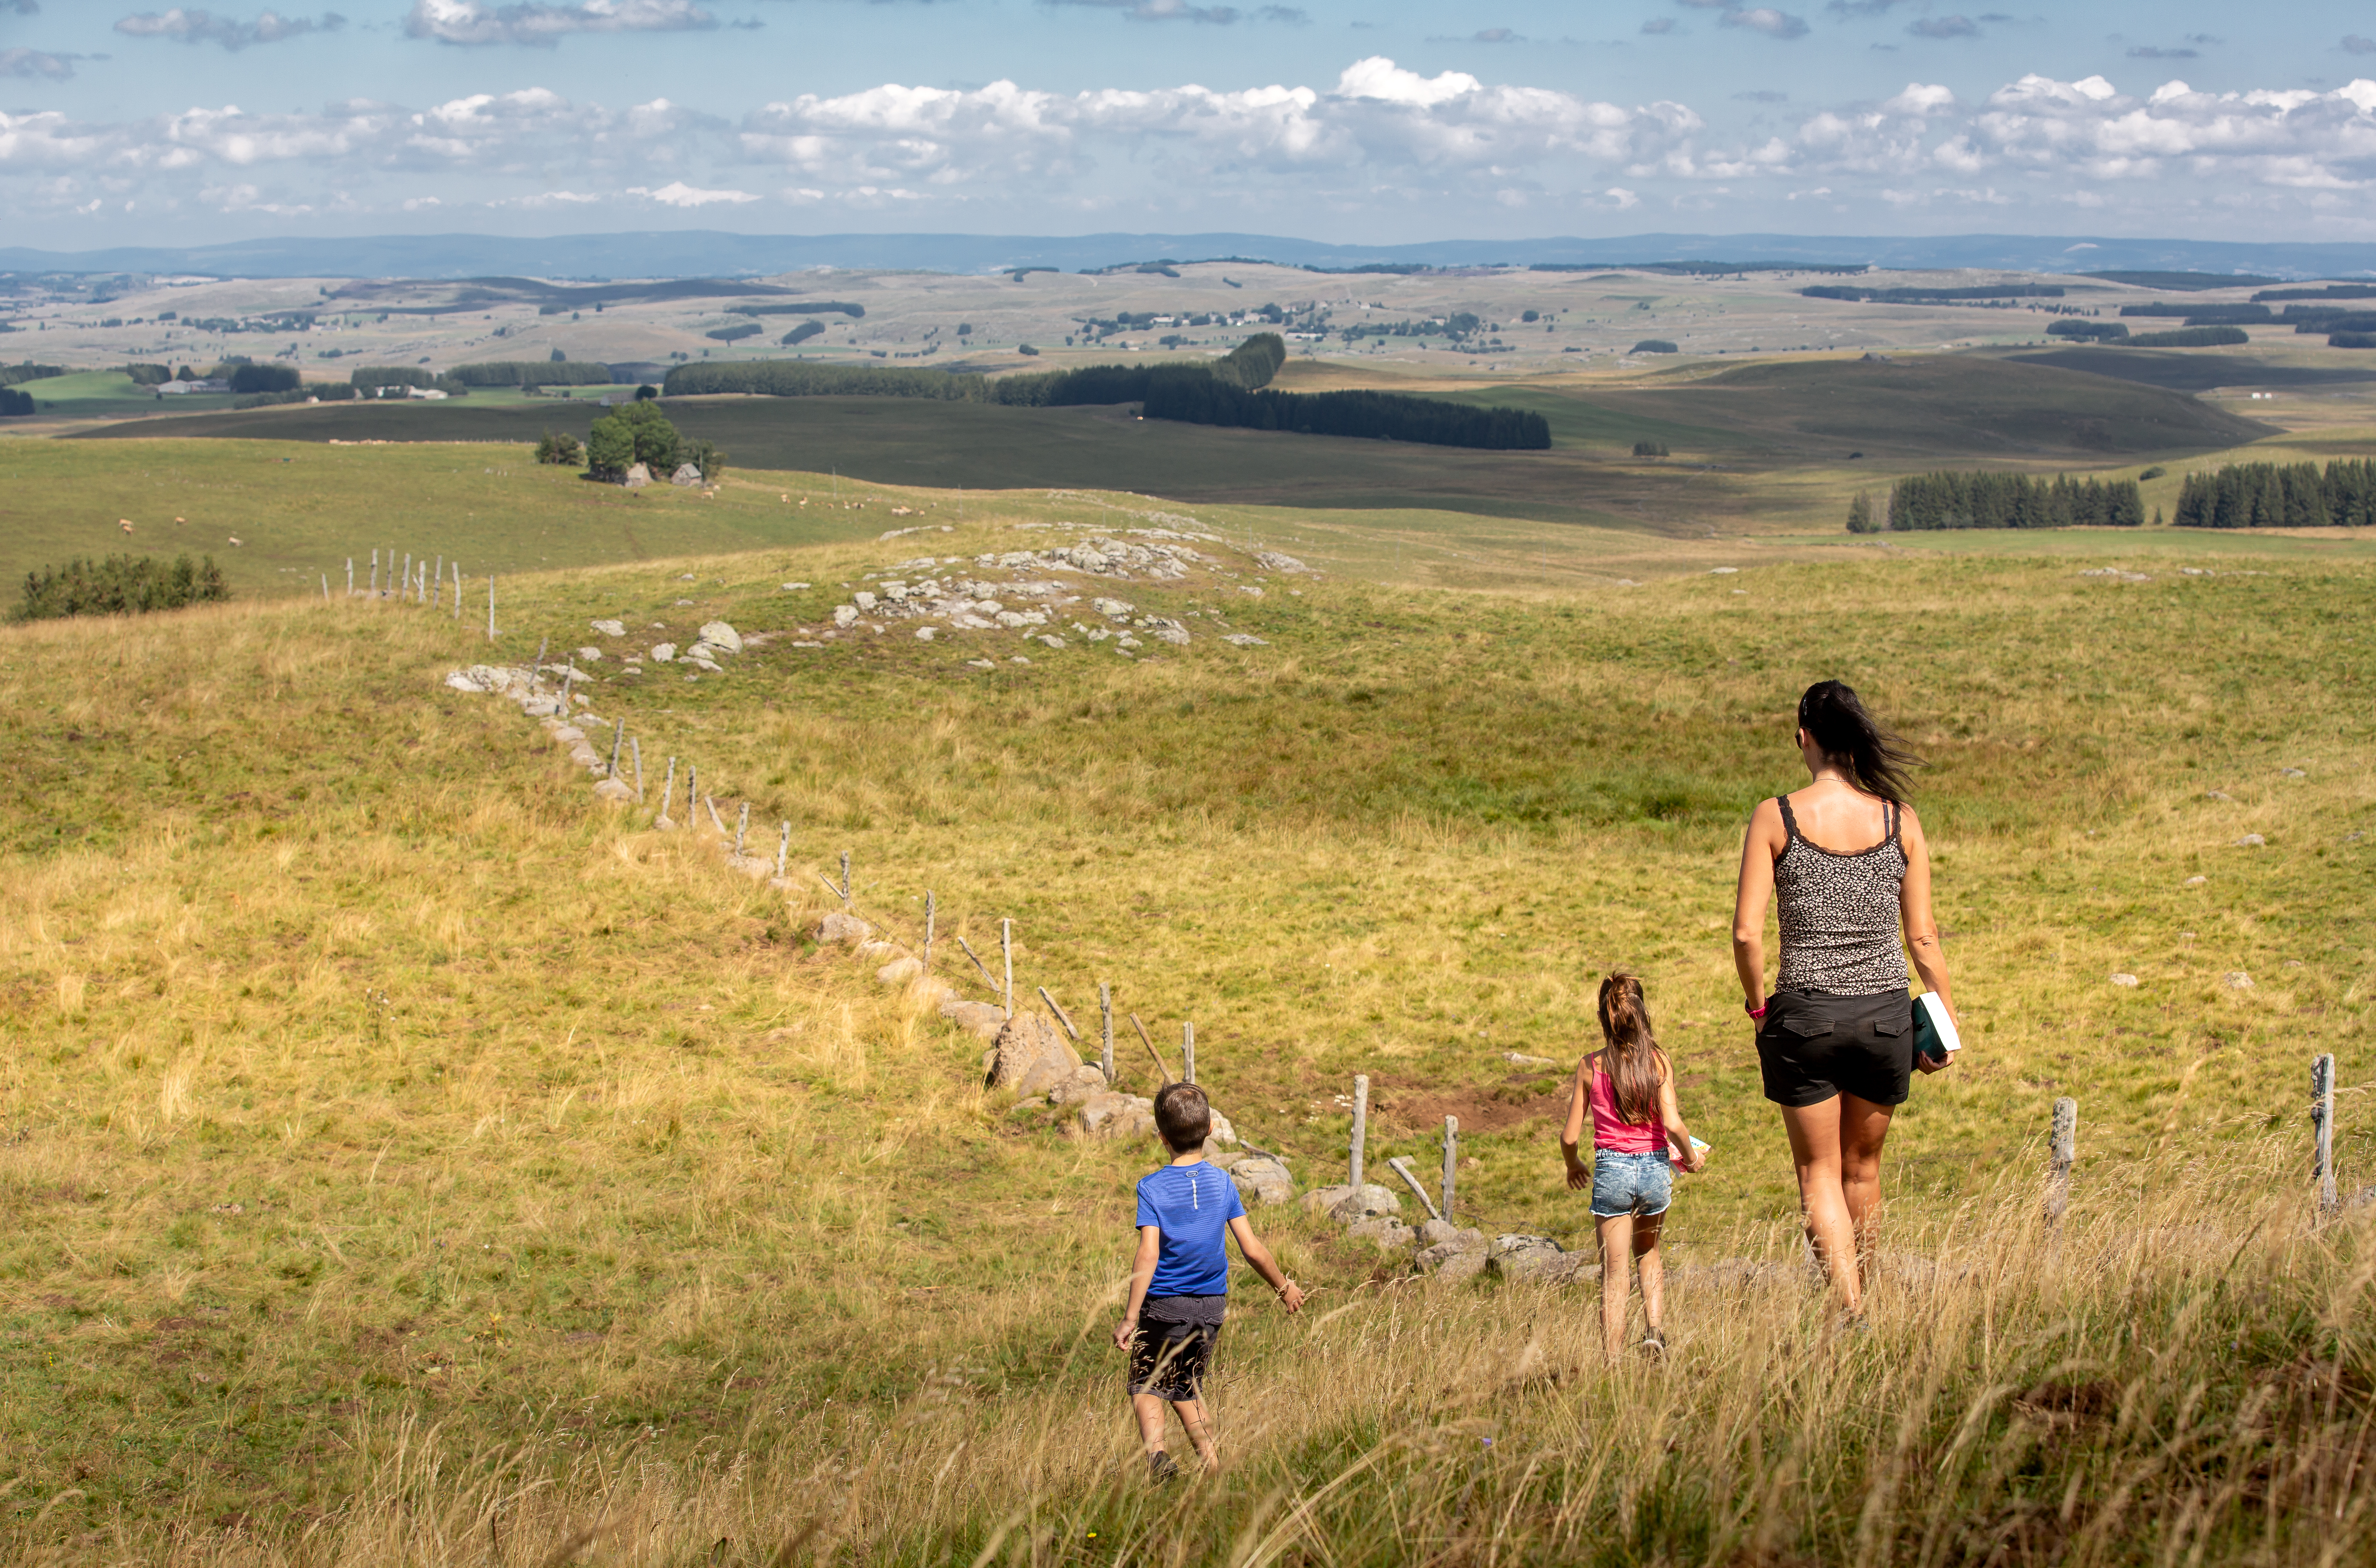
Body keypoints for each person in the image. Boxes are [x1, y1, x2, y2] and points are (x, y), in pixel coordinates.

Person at [1730, 679, 1960, 1318]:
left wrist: (1758, 1008)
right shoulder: (1898, 819)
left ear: (1803, 736)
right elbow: (1922, 936)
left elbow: (1747, 933)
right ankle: (1868, 1293)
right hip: (1885, 1016)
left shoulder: (1775, 815)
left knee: (1817, 1176)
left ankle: (1849, 1308)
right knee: (1862, 1171)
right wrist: (1942, 1020)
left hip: (1804, 1014)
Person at [1113, 1082, 1304, 1481]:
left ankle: (1157, 1458)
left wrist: (1131, 1317)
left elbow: (1148, 1254)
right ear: (1211, 1129)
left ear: (1161, 1137)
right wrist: (1284, 1287)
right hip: (1211, 1307)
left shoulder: (1151, 1188)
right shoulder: (1223, 1184)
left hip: (1165, 1305)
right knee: (1186, 1387)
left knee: (1145, 1384)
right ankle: (1214, 1468)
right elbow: (1252, 1249)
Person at [1561, 974, 1707, 1361]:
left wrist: (1572, 1164)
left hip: (1611, 1172)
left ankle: (1611, 1360)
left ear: (1603, 1017)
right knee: (1649, 1253)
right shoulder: (1659, 1061)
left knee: (1613, 1272)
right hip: (1655, 1171)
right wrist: (1690, 1159)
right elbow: (1673, 1125)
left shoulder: (1590, 1066)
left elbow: (1569, 1136)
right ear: (1642, 1015)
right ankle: (1654, 1334)